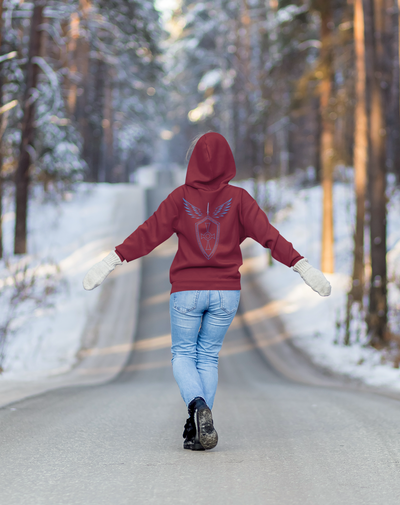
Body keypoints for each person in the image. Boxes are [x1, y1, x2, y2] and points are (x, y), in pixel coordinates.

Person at [83, 132, 331, 452]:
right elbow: (270, 237)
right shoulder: (240, 199)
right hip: (226, 293)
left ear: (193, 162)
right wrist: (301, 265)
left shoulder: (179, 198)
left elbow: (149, 234)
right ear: (229, 161)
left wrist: (112, 259)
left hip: (187, 291)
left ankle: (197, 407)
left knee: (183, 354)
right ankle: (198, 426)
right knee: (208, 357)